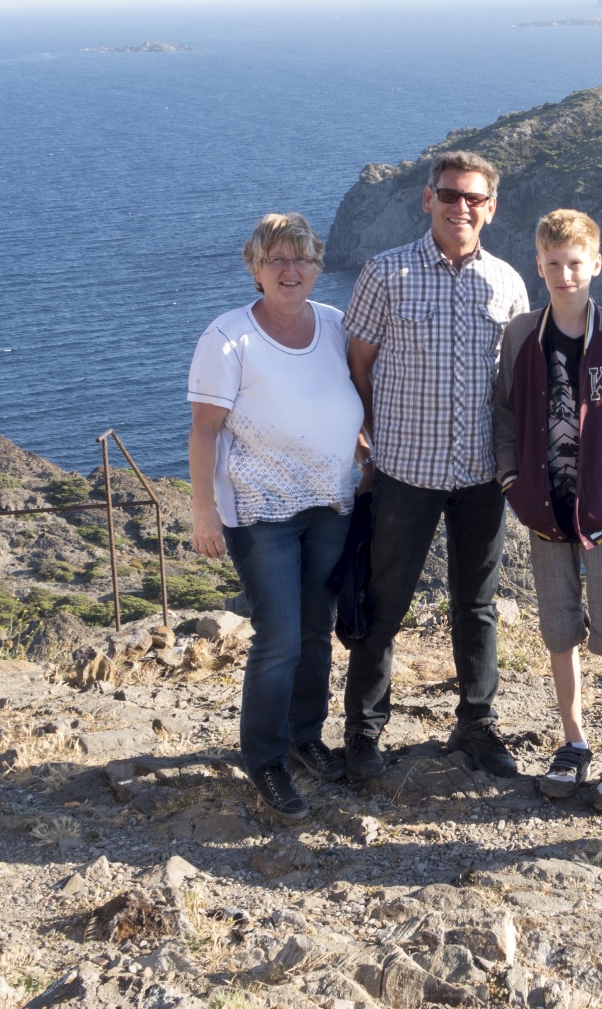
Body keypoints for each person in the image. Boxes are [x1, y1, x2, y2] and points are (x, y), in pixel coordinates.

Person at [340, 151, 530, 781]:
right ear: (428, 199)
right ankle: (364, 733)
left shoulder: (507, 283)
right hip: (405, 472)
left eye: (473, 198)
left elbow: (514, 381)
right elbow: (358, 364)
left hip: (481, 474)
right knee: (384, 603)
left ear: (490, 208)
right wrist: (368, 439)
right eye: (449, 195)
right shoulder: (385, 273)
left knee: (477, 605)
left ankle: (477, 724)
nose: (460, 207)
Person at [187, 212, 365, 825]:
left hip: (331, 503)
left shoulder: (336, 325)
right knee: (280, 636)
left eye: (302, 258)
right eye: (276, 260)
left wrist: (361, 449)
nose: (291, 270)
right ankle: (264, 759)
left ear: (317, 264)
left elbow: (346, 401)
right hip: (260, 512)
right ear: (256, 268)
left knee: (317, 630)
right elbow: (204, 430)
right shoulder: (228, 337)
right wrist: (204, 512)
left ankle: (304, 736)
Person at [493, 209, 602, 813]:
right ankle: (573, 741)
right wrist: (511, 480)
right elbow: (504, 414)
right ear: (538, 267)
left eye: (575, 264)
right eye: (554, 264)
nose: (565, 275)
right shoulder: (521, 334)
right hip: (545, 515)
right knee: (558, 631)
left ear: (595, 265)